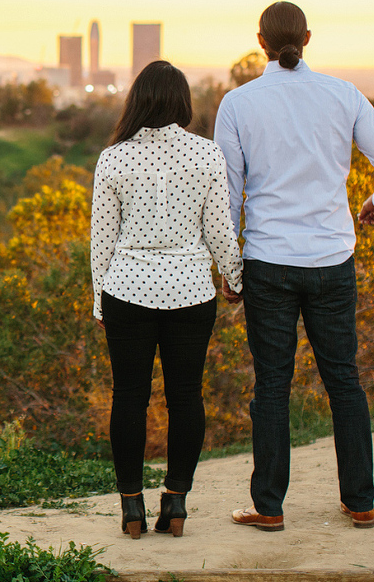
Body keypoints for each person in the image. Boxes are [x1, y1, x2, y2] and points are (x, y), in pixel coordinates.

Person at [214, 1, 374, 532]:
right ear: (306, 37)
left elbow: (229, 197)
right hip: (332, 260)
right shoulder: (342, 95)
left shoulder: (237, 104)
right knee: (343, 378)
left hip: (269, 263)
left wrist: (229, 269)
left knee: (272, 385)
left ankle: (269, 508)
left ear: (261, 42)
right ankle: (361, 501)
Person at [91, 60, 243, 540]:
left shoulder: (112, 159)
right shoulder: (206, 155)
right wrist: (234, 278)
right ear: (182, 103)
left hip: (128, 290)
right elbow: (220, 229)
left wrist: (100, 301)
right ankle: (175, 502)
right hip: (190, 292)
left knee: (129, 397)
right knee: (186, 397)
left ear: (137, 101)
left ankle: (131, 507)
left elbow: (103, 240)